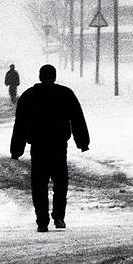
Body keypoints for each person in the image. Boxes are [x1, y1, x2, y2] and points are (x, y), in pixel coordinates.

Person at [10, 64, 89, 232]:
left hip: (38, 147)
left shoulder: (29, 96)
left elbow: (20, 125)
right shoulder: (65, 94)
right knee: (61, 182)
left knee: (39, 184)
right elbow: (77, 118)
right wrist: (83, 142)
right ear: (54, 76)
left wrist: (16, 149)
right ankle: (59, 216)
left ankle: (42, 220)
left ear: (40, 76)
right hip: (59, 146)